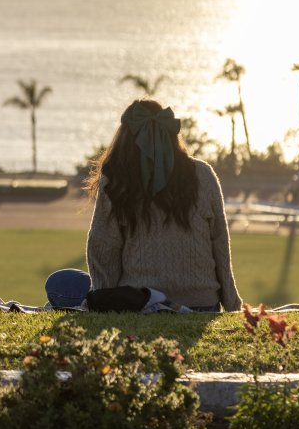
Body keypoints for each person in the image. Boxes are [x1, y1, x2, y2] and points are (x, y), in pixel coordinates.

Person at [82, 99, 242, 312]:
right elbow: (220, 243)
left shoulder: (116, 179)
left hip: (140, 304)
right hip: (203, 304)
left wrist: (106, 299)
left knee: (66, 282)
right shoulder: (203, 174)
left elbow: (103, 248)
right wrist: (231, 303)